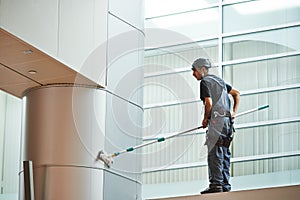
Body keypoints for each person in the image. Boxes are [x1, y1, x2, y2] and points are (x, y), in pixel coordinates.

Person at [191, 58, 240, 194]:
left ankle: (216, 185)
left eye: (194, 70)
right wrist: (233, 112)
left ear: (202, 69)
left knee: (215, 151)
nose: (193, 74)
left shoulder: (205, 81)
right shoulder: (220, 82)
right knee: (224, 151)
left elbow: (209, 103)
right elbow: (236, 94)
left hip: (217, 122)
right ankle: (224, 184)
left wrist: (205, 119)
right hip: (227, 123)